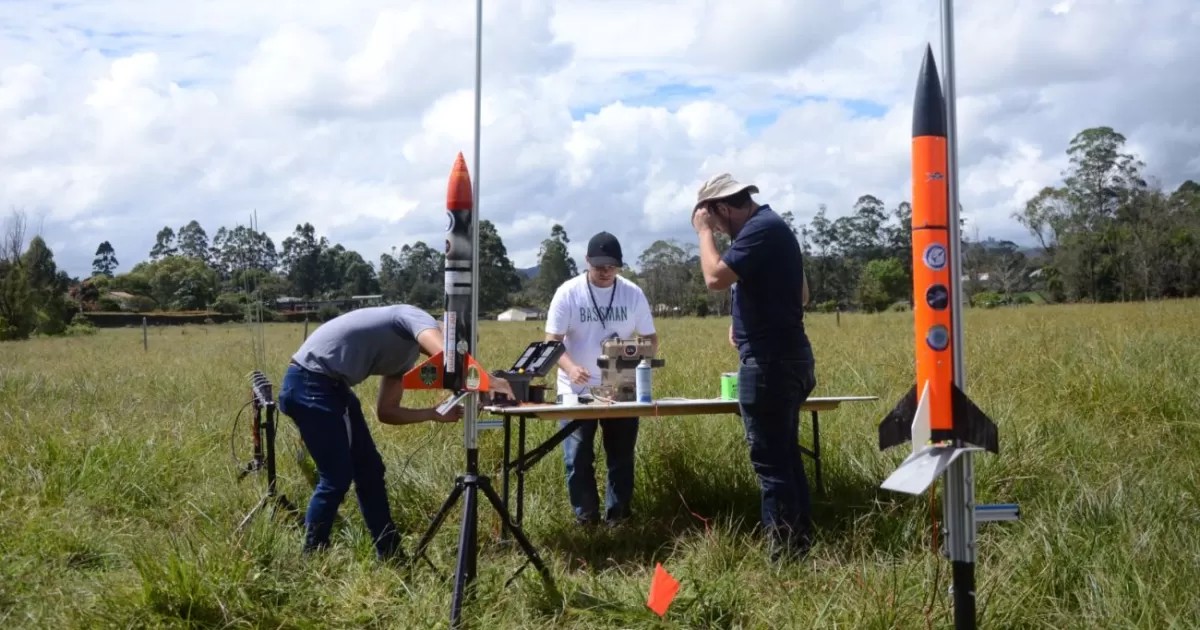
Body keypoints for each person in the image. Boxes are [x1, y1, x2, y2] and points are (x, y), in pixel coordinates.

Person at [277, 303, 512, 562]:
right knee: (336, 478)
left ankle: (391, 555)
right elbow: (451, 360)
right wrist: (491, 381)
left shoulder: (405, 358)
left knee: (370, 472)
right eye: (457, 348)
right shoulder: (413, 316)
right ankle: (312, 557)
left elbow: (387, 412)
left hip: (332, 388)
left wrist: (433, 413)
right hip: (310, 383)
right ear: (445, 332)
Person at [691, 172, 817, 561]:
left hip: (769, 363)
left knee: (771, 464)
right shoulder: (773, 227)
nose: (714, 227)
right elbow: (803, 294)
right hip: (790, 356)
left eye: (714, 220)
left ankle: (784, 558)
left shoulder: (760, 229)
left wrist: (702, 233)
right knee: (786, 458)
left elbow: (714, 276)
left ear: (722, 208)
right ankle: (801, 546)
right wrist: (746, 319)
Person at [544, 231, 658, 526]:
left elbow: (650, 339)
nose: (606, 272)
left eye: (611, 266)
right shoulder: (568, 293)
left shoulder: (632, 293)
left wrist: (622, 370)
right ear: (587, 262)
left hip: (619, 388)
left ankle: (618, 519)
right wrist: (570, 368)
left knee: (621, 457)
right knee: (577, 458)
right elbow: (551, 342)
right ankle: (587, 520)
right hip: (575, 389)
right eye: (599, 266)